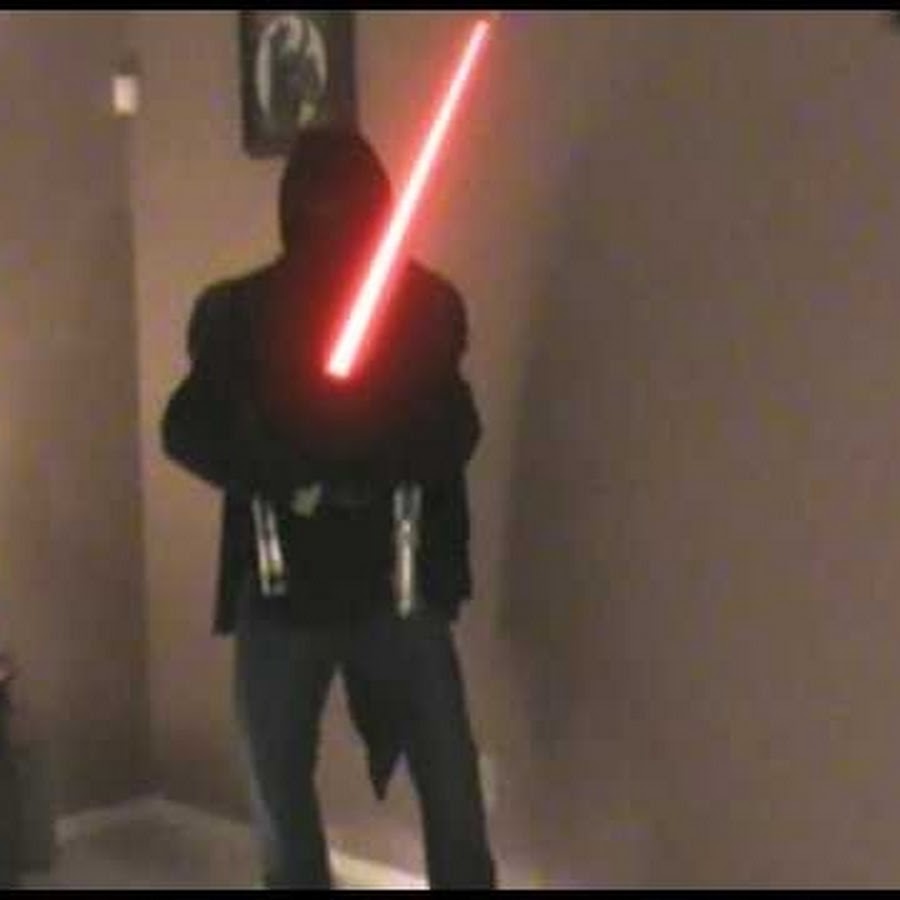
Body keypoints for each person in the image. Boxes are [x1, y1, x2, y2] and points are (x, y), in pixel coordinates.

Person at [161, 127, 496, 890]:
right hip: (285, 586)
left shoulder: (424, 306)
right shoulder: (242, 313)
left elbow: (455, 426)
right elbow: (188, 427)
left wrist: (375, 461)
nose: (335, 221)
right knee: (280, 784)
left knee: (448, 780)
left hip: (397, 580)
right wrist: (291, 477)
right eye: (321, 204)